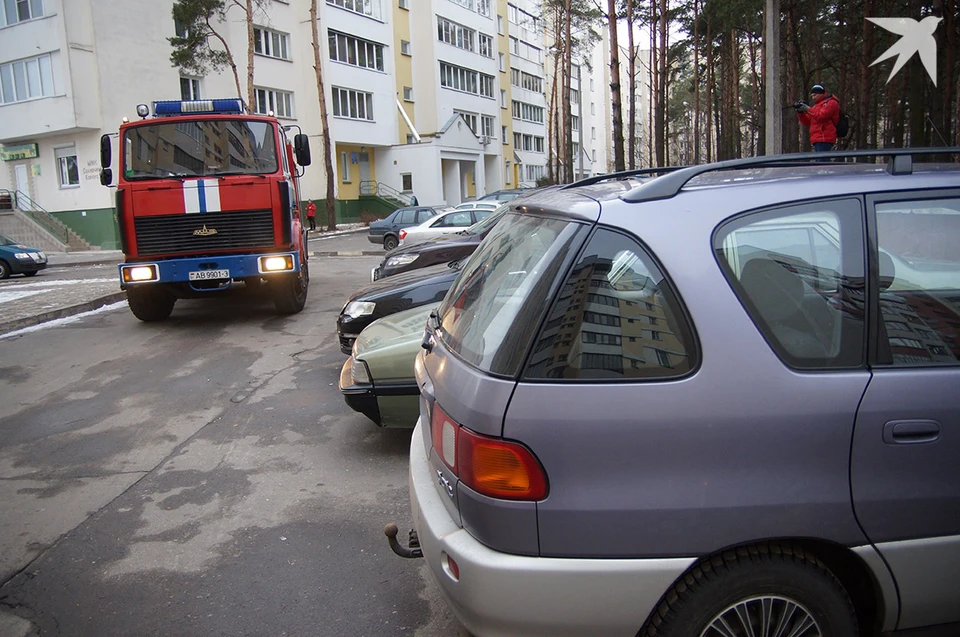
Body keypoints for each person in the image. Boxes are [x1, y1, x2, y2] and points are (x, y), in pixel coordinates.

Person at [796, 84, 841, 152]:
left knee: (821, 161)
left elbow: (821, 116)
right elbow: (807, 122)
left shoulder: (831, 103)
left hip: (825, 138)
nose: (813, 98)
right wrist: (800, 113)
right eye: (812, 96)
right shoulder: (816, 106)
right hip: (816, 139)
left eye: (815, 95)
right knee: (819, 161)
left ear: (821, 93)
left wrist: (808, 109)